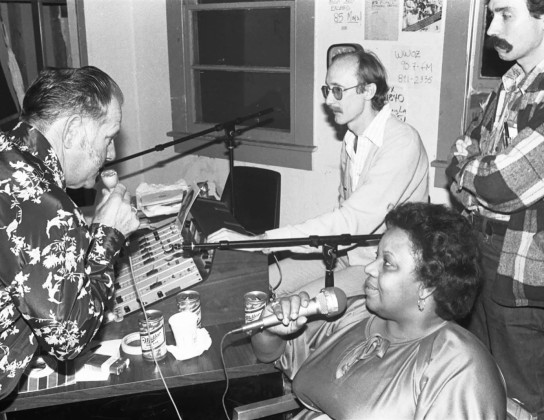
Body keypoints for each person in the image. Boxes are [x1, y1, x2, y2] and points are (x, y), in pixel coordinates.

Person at [251, 202, 506, 419]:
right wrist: (271, 331)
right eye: (375, 257)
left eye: (387, 263)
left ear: (426, 286)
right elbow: (275, 355)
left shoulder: (458, 365)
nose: (369, 269)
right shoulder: (357, 313)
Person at [209, 50, 429, 300]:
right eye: (327, 90)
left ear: (368, 91)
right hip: (345, 254)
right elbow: (342, 217)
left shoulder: (401, 142)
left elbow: (351, 221)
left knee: (295, 304)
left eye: (338, 90)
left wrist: (260, 241)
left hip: (380, 266)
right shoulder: (351, 139)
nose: (328, 101)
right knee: (257, 284)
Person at [0, 66, 139, 417]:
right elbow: (69, 339)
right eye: (108, 136)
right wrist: (107, 236)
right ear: (71, 131)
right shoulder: (45, 203)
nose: (111, 153)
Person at [446, 0, 544, 416]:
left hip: (523, 270)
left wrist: (474, 170)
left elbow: (497, 182)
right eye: (490, 15)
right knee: (478, 382)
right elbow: (458, 165)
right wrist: (475, 171)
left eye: (505, 15)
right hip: (482, 254)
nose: (490, 29)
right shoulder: (510, 84)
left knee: (520, 399)